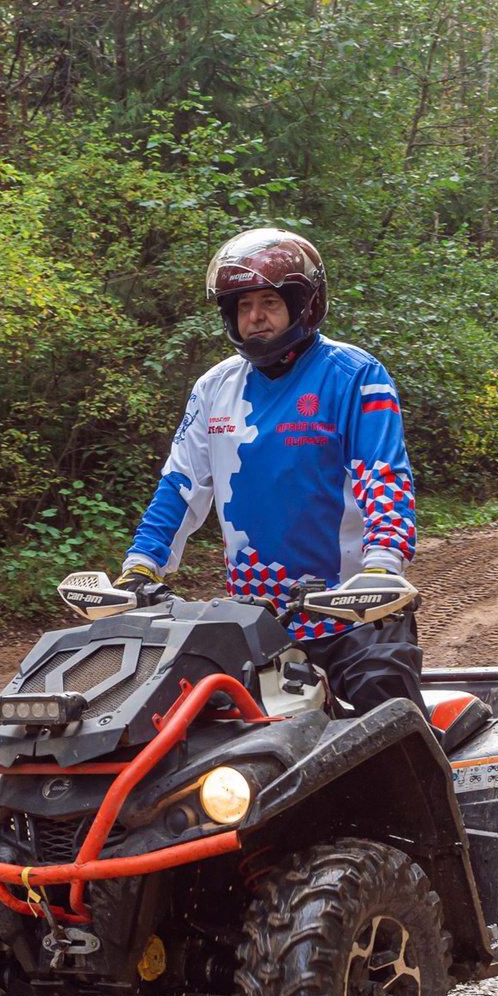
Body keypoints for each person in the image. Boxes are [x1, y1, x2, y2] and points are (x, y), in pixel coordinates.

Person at [117, 228, 423, 712]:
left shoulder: (355, 374)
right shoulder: (214, 387)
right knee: (201, 741)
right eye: (242, 306)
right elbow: (180, 486)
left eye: (269, 302)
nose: (255, 317)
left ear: (305, 304)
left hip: (355, 614)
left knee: (390, 730)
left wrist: (383, 568)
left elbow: (381, 476)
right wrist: (141, 564)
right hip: (254, 625)